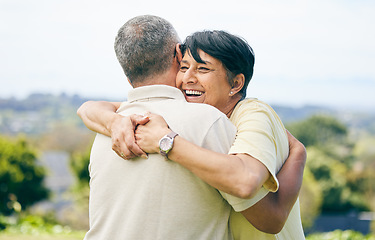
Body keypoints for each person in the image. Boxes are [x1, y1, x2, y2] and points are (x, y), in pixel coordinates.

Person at [79, 15, 306, 239]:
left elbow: (264, 206)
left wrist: (165, 140)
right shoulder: (139, 118)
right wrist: (114, 121)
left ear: (236, 83)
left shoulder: (252, 114)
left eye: (203, 69)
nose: (187, 78)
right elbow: (91, 108)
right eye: (184, 67)